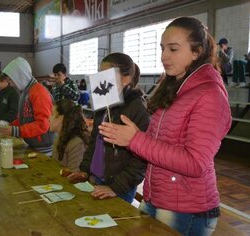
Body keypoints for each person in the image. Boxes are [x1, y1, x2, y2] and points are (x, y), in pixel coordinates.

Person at [99, 17, 232, 235]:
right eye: (162, 48)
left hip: (187, 210)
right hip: (158, 198)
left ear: (196, 52)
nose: (164, 56)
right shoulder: (174, 87)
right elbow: (159, 145)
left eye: (173, 49)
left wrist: (135, 139)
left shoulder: (209, 95)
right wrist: (130, 137)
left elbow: (195, 162)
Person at [68, 53, 150, 203]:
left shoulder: (136, 108)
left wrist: (116, 187)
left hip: (118, 187)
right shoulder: (104, 100)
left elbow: (141, 161)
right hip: (96, 179)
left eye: (106, 75)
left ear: (125, 80)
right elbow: (94, 140)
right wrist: (85, 170)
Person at [0, 57, 54, 155]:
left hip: (43, 148)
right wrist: (10, 126)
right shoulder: (25, 92)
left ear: (19, 76)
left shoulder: (39, 92)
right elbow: (24, 119)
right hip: (33, 144)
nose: (10, 84)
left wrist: (16, 130)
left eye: (11, 80)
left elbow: (43, 125)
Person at [50, 99, 89, 172]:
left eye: (52, 114)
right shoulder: (58, 138)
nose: (49, 118)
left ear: (61, 118)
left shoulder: (77, 143)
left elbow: (74, 175)